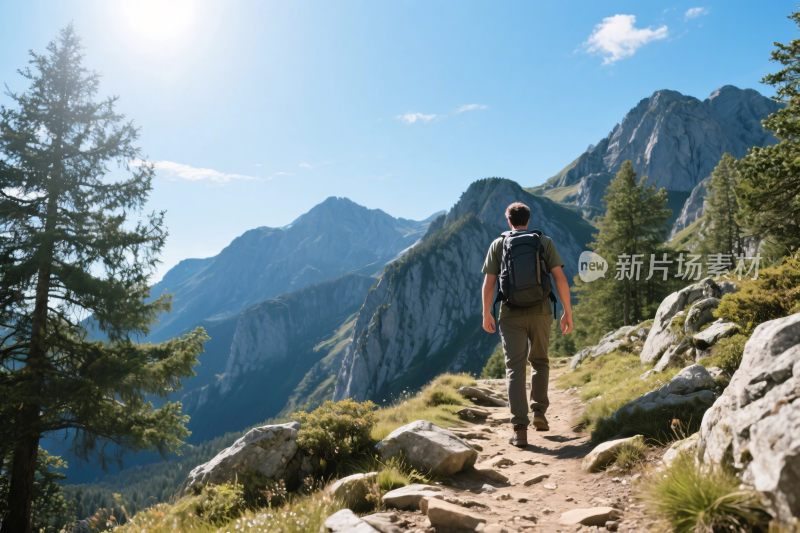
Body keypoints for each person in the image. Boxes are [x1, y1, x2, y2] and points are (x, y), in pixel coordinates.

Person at [481, 201, 574, 448]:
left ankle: (519, 430)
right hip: (541, 311)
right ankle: (539, 412)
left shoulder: (498, 244)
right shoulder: (544, 242)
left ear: (508, 221)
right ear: (528, 219)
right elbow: (560, 279)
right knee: (540, 361)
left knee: (515, 369)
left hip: (510, 313)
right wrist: (567, 312)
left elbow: (489, 283)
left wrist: (486, 313)